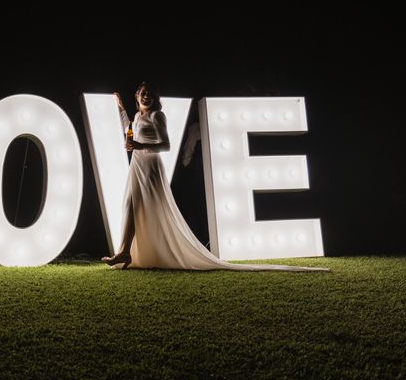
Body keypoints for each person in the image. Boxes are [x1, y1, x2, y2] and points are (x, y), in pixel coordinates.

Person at [101, 82, 329, 272]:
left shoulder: (157, 116)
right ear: (137, 96)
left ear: (154, 97)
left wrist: (139, 145)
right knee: (131, 205)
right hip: (137, 165)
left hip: (150, 167)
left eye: (150, 93)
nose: (146, 96)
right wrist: (120, 108)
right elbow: (128, 129)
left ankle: (125, 251)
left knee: (140, 206)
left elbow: (166, 145)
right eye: (143, 93)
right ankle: (125, 252)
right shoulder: (138, 117)